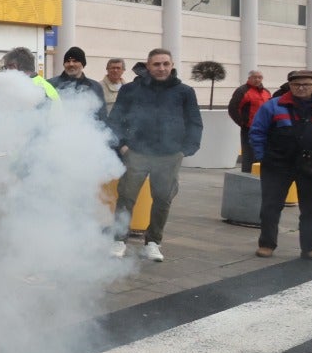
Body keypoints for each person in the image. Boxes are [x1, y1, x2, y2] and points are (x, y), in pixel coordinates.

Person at [107, 48, 203, 261]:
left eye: (165, 64)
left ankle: (153, 242)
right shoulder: (131, 89)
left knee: (162, 200)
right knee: (126, 198)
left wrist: (185, 150)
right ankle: (119, 240)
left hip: (169, 156)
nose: (161, 68)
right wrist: (122, 146)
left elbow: (194, 122)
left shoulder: (184, 92)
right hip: (136, 153)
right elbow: (115, 120)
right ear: (147, 66)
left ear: (172, 66)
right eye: (156, 64)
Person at [250, 69, 312, 261]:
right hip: (277, 165)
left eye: (306, 84)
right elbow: (257, 132)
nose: (301, 88)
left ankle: (311, 248)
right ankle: (267, 244)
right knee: (270, 207)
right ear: (290, 86)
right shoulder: (273, 107)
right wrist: (263, 157)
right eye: (296, 84)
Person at [227, 69, 271, 172]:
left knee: (263, 151)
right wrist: (242, 123)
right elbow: (233, 108)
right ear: (249, 78)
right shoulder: (242, 91)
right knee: (249, 153)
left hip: (265, 127)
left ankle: (261, 173)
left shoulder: (266, 92)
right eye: (254, 77)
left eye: (259, 77)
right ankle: (247, 174)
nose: (257, 79)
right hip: (249, 127)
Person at [51, 45, 105, 118]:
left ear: (83, 64)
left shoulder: (95, 86)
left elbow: (102, 116)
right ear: (64, 64)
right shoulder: (51, 84)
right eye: (67, 61)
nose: (71, 64)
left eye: (75, 61)